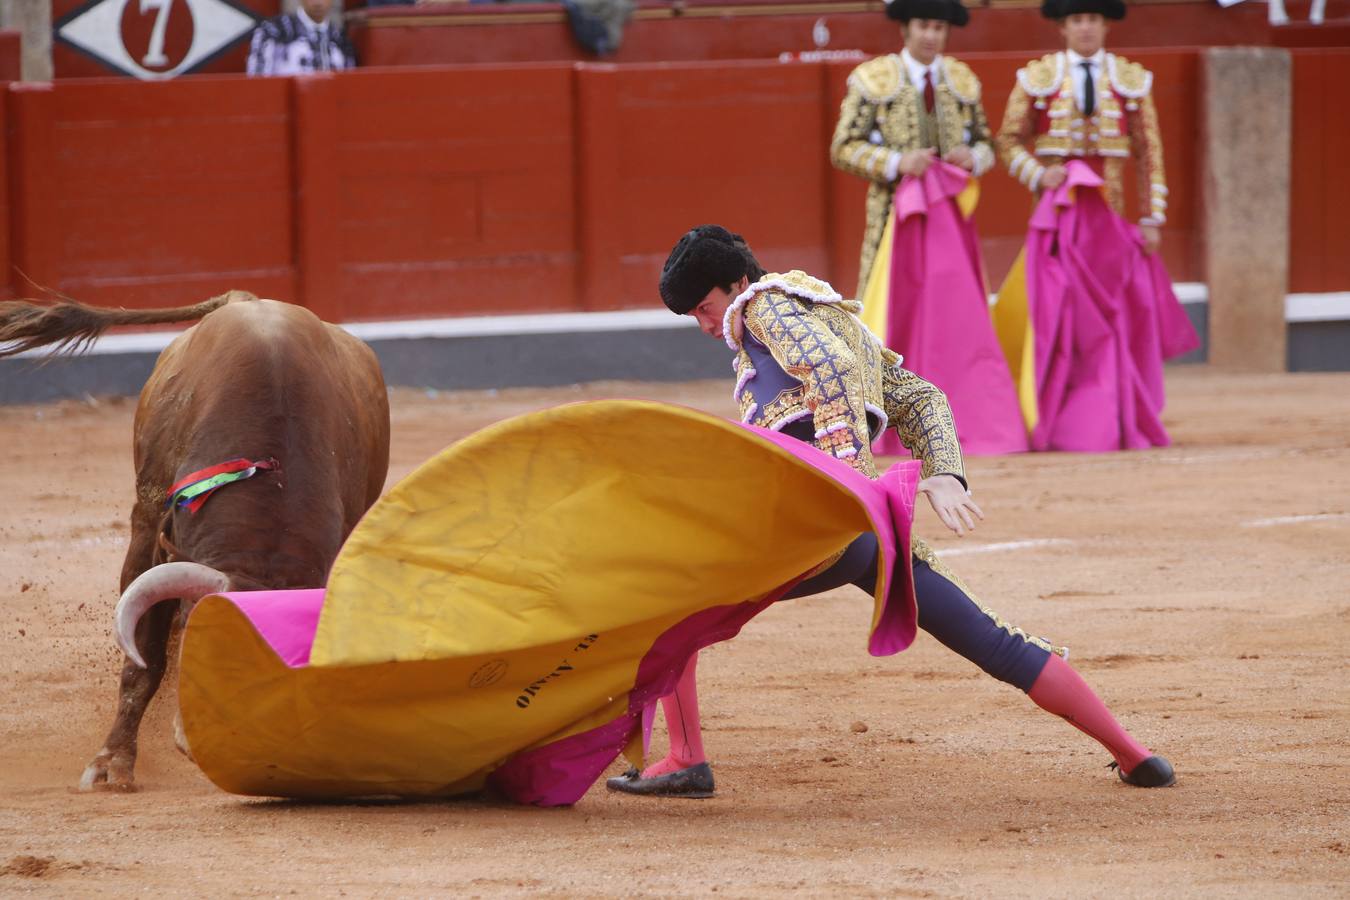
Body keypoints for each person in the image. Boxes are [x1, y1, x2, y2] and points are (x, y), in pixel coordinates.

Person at [605, 225, 1175, 799]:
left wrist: (844, 477)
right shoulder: (835, 318)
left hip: (810, 524)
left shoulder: (762, 307)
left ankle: (685, 757)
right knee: (993, 640)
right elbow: (920, 395)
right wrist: (944, 469)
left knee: (666, 611)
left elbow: (830, 370)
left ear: (739, 283)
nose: (706, 325)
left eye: (706, 307)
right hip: (869, 528)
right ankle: (1133, 753)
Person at [991, 0, 1198, 452]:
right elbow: (1006, 142)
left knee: (1108, 318)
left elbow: (1150, 153)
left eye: (1093, 20)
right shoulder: (1037, 78)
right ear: (1063, 27)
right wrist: (1038, 173)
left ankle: (1111, 414)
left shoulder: (1131, 81)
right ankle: (1062, 414)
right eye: (1077, 20)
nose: (1085, 28)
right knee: (1058, 316)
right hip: (1057, 219)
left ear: (1105, 25)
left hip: (1111, 219)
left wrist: (1152, 218)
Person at [829, 0, 1026, 456]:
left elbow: (986, 141)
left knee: (955, 315)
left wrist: (973, 158)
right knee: (887, 315)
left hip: (950, 222)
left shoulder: (960, 81)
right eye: (923, 25)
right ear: (906, 27)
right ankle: (883, 421)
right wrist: (897, 162)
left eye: (938, 27)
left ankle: (958, 414)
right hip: (891, 222)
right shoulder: (873, 80)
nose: (931, 35)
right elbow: (843, 147)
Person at [246, 0, 357, 77]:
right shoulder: (274, 30)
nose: (317, 2)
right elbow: (258, 81)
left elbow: (348, 85)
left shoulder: (340, 38)